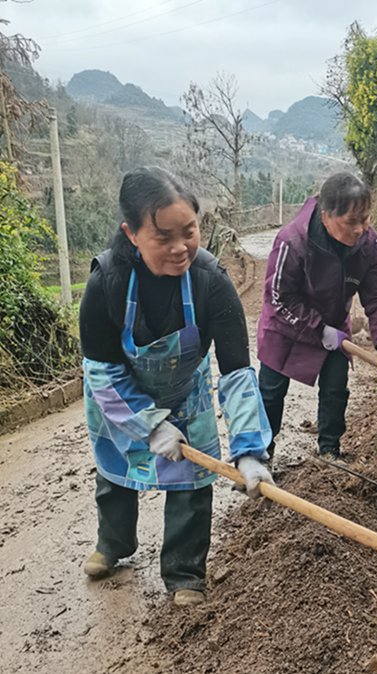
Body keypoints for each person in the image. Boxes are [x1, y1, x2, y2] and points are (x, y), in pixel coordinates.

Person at [79, 166, 274, 607]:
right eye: (163, 237)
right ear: (131, 234)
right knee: (116, 473)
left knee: (191, 482)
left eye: (189, 231)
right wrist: (149, 425)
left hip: (184, 391)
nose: (180, 247)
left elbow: (238, 373)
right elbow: (101, 371)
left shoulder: (211, 281)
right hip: (121, 394)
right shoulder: (106, 283)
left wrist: (248, 449)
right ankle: (113, 544)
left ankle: (185, 573)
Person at [256, 172, 377, 461]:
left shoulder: (368, 244)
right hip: (287, 326)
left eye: (365, 219)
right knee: (270, 393)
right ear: (325, 216)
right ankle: (261, 454)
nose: (360, 229)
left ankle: (329, 453)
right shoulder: (292, 241)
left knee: (335, 389)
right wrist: (317, 329)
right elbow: (278, 298)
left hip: (335, 326)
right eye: (351, 221)